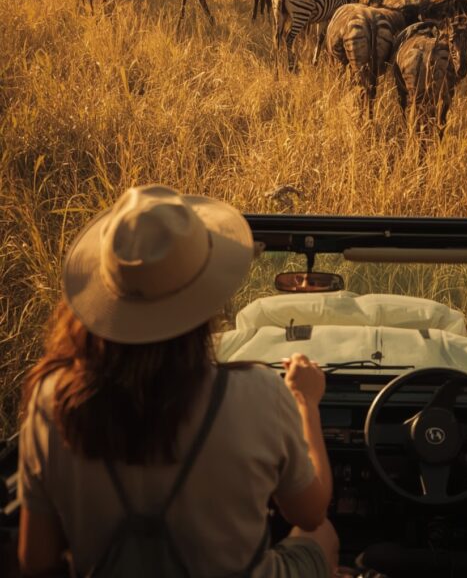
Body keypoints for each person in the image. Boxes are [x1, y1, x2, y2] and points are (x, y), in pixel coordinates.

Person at [18, 185, 339, 577]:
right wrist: (306, 403)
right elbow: (310, 512)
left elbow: (36, 560)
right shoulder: (258, 394)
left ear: (105, 294)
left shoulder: (51, 401)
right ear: (206, 298)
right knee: (323, 535)